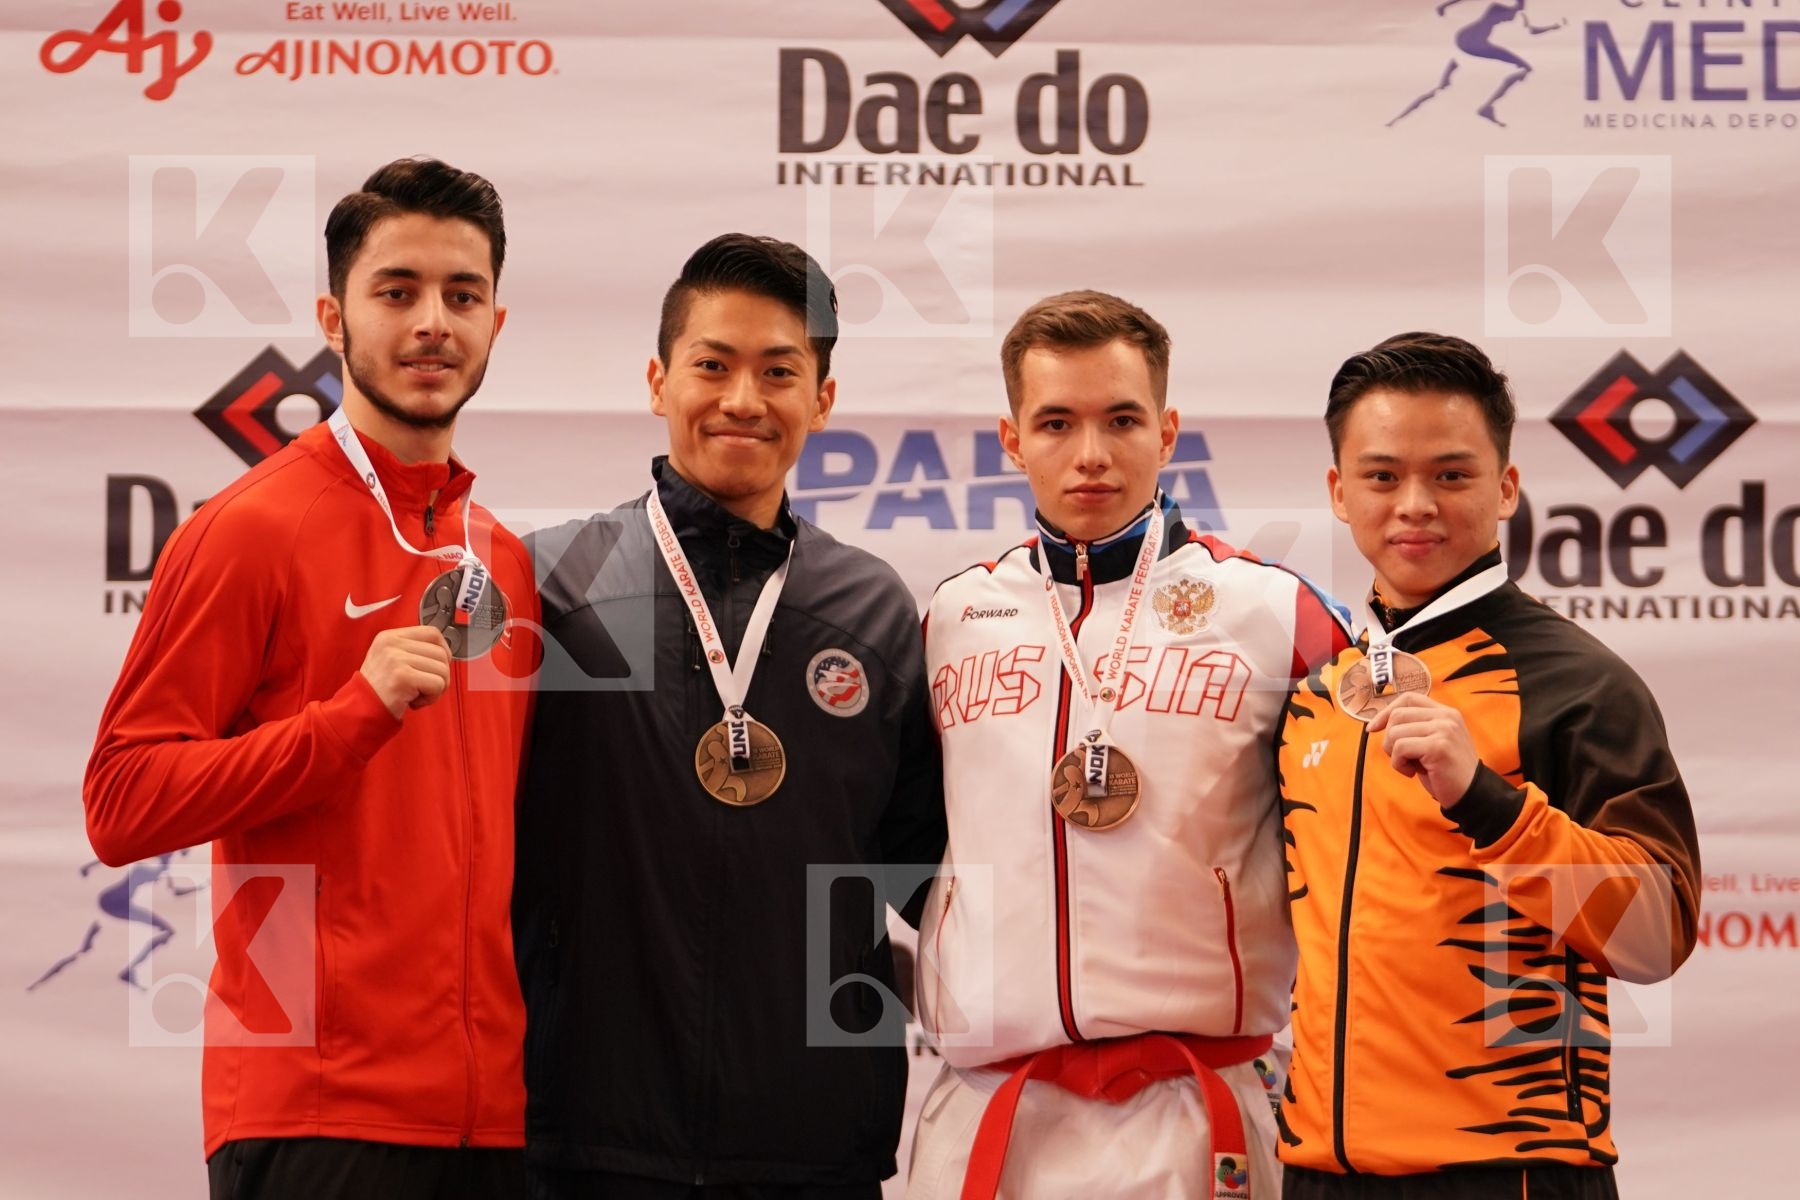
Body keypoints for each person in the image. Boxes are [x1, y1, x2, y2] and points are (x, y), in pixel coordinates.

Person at [83, 157, 535, 1199]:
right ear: (334, 318)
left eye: (462, 296)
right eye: (397, 292)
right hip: (317, 1115)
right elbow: (121, 802)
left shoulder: (499, 558)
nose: (433, 322)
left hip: (499, 1120)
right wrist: (348, 720)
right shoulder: (247, 531)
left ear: (496, 326)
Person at [515, 233, 946, 1198]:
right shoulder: (554, 583)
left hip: (814, 1142)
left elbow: (927, 868)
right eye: (712, 365)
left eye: (778, 371)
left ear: (822, 399)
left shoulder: (871, 608)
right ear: (659, 380)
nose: (742, 399)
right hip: (579, 1136)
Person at [906, 290, 1351, 1200]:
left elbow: (1360, 843)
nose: (1092, 454)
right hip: (992, 1114)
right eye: (1057, 423)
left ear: (1170, 428)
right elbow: (906, 833)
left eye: (1122, 419)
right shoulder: (955, 616)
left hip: (1194, 1110)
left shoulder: (1273, 611)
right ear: (1011, 439)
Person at [1276, 333, 1702, 1200]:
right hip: (1318, 1169)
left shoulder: (1578, 682)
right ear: (1338, 491)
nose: (1416, 504)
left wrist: (1493, 805)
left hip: (1510, 1172)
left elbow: (1657, 933)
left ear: (1506, 487)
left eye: (1453, 475)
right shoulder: (1319, 694)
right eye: (1383, 476)